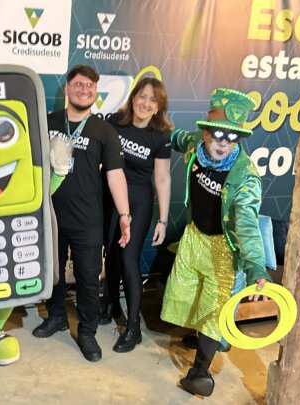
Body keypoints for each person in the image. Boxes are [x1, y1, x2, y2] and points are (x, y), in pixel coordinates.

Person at [160, 88, 270, 396]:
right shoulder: (197, 144)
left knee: (214, 307)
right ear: (207, 133)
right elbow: (179, 138)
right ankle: (204, 338)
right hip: (195, 237)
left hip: (223, 249)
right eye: (218, 134)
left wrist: (256, 267)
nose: (223, 142)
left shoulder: (245, 176)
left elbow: (247, 224)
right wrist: (160, 126)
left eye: (232, 137)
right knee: (190, 292)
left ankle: (200, 373)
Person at [32, 64, 131, 362]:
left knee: (88, 278)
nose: (83, 90)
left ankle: (87, 331)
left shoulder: (104, 130)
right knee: (53, 273)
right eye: (78, 84)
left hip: (87, 219)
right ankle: (57, 316)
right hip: (50, 216)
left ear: (95, 92)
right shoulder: (47, 122)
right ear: (67, 89)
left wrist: (124, 215)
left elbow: (115, 174)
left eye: (89, 86)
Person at [100, 77, 172, 353]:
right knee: (111, 253)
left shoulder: (160, 135)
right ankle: (111, 305)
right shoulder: (114, 122)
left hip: (138, 200)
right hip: (109, 197)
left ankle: (133, 327)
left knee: (128, 259)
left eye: (153, 100)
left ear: (159, 106)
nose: (146, 103)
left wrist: (163, 220)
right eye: (142, 96)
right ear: (133, 98)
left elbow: (162, 178)